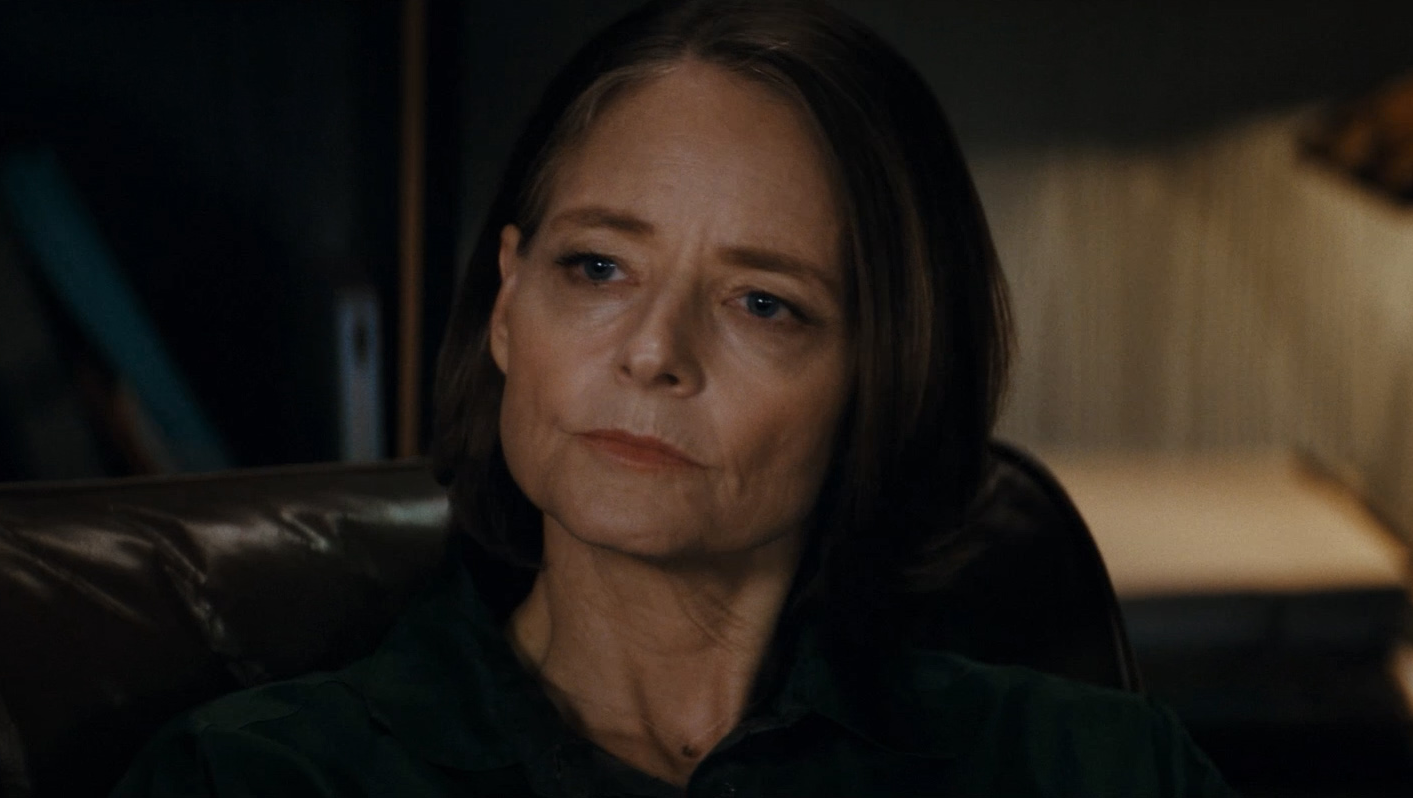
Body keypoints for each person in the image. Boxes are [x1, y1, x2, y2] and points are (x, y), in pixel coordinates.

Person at [112, 0, 1234, 795]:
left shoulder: (1099, 768)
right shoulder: (256, 777)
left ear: (885, 376)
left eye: (763, 303)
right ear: (507, 305)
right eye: (598, 267)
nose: (653, 352)